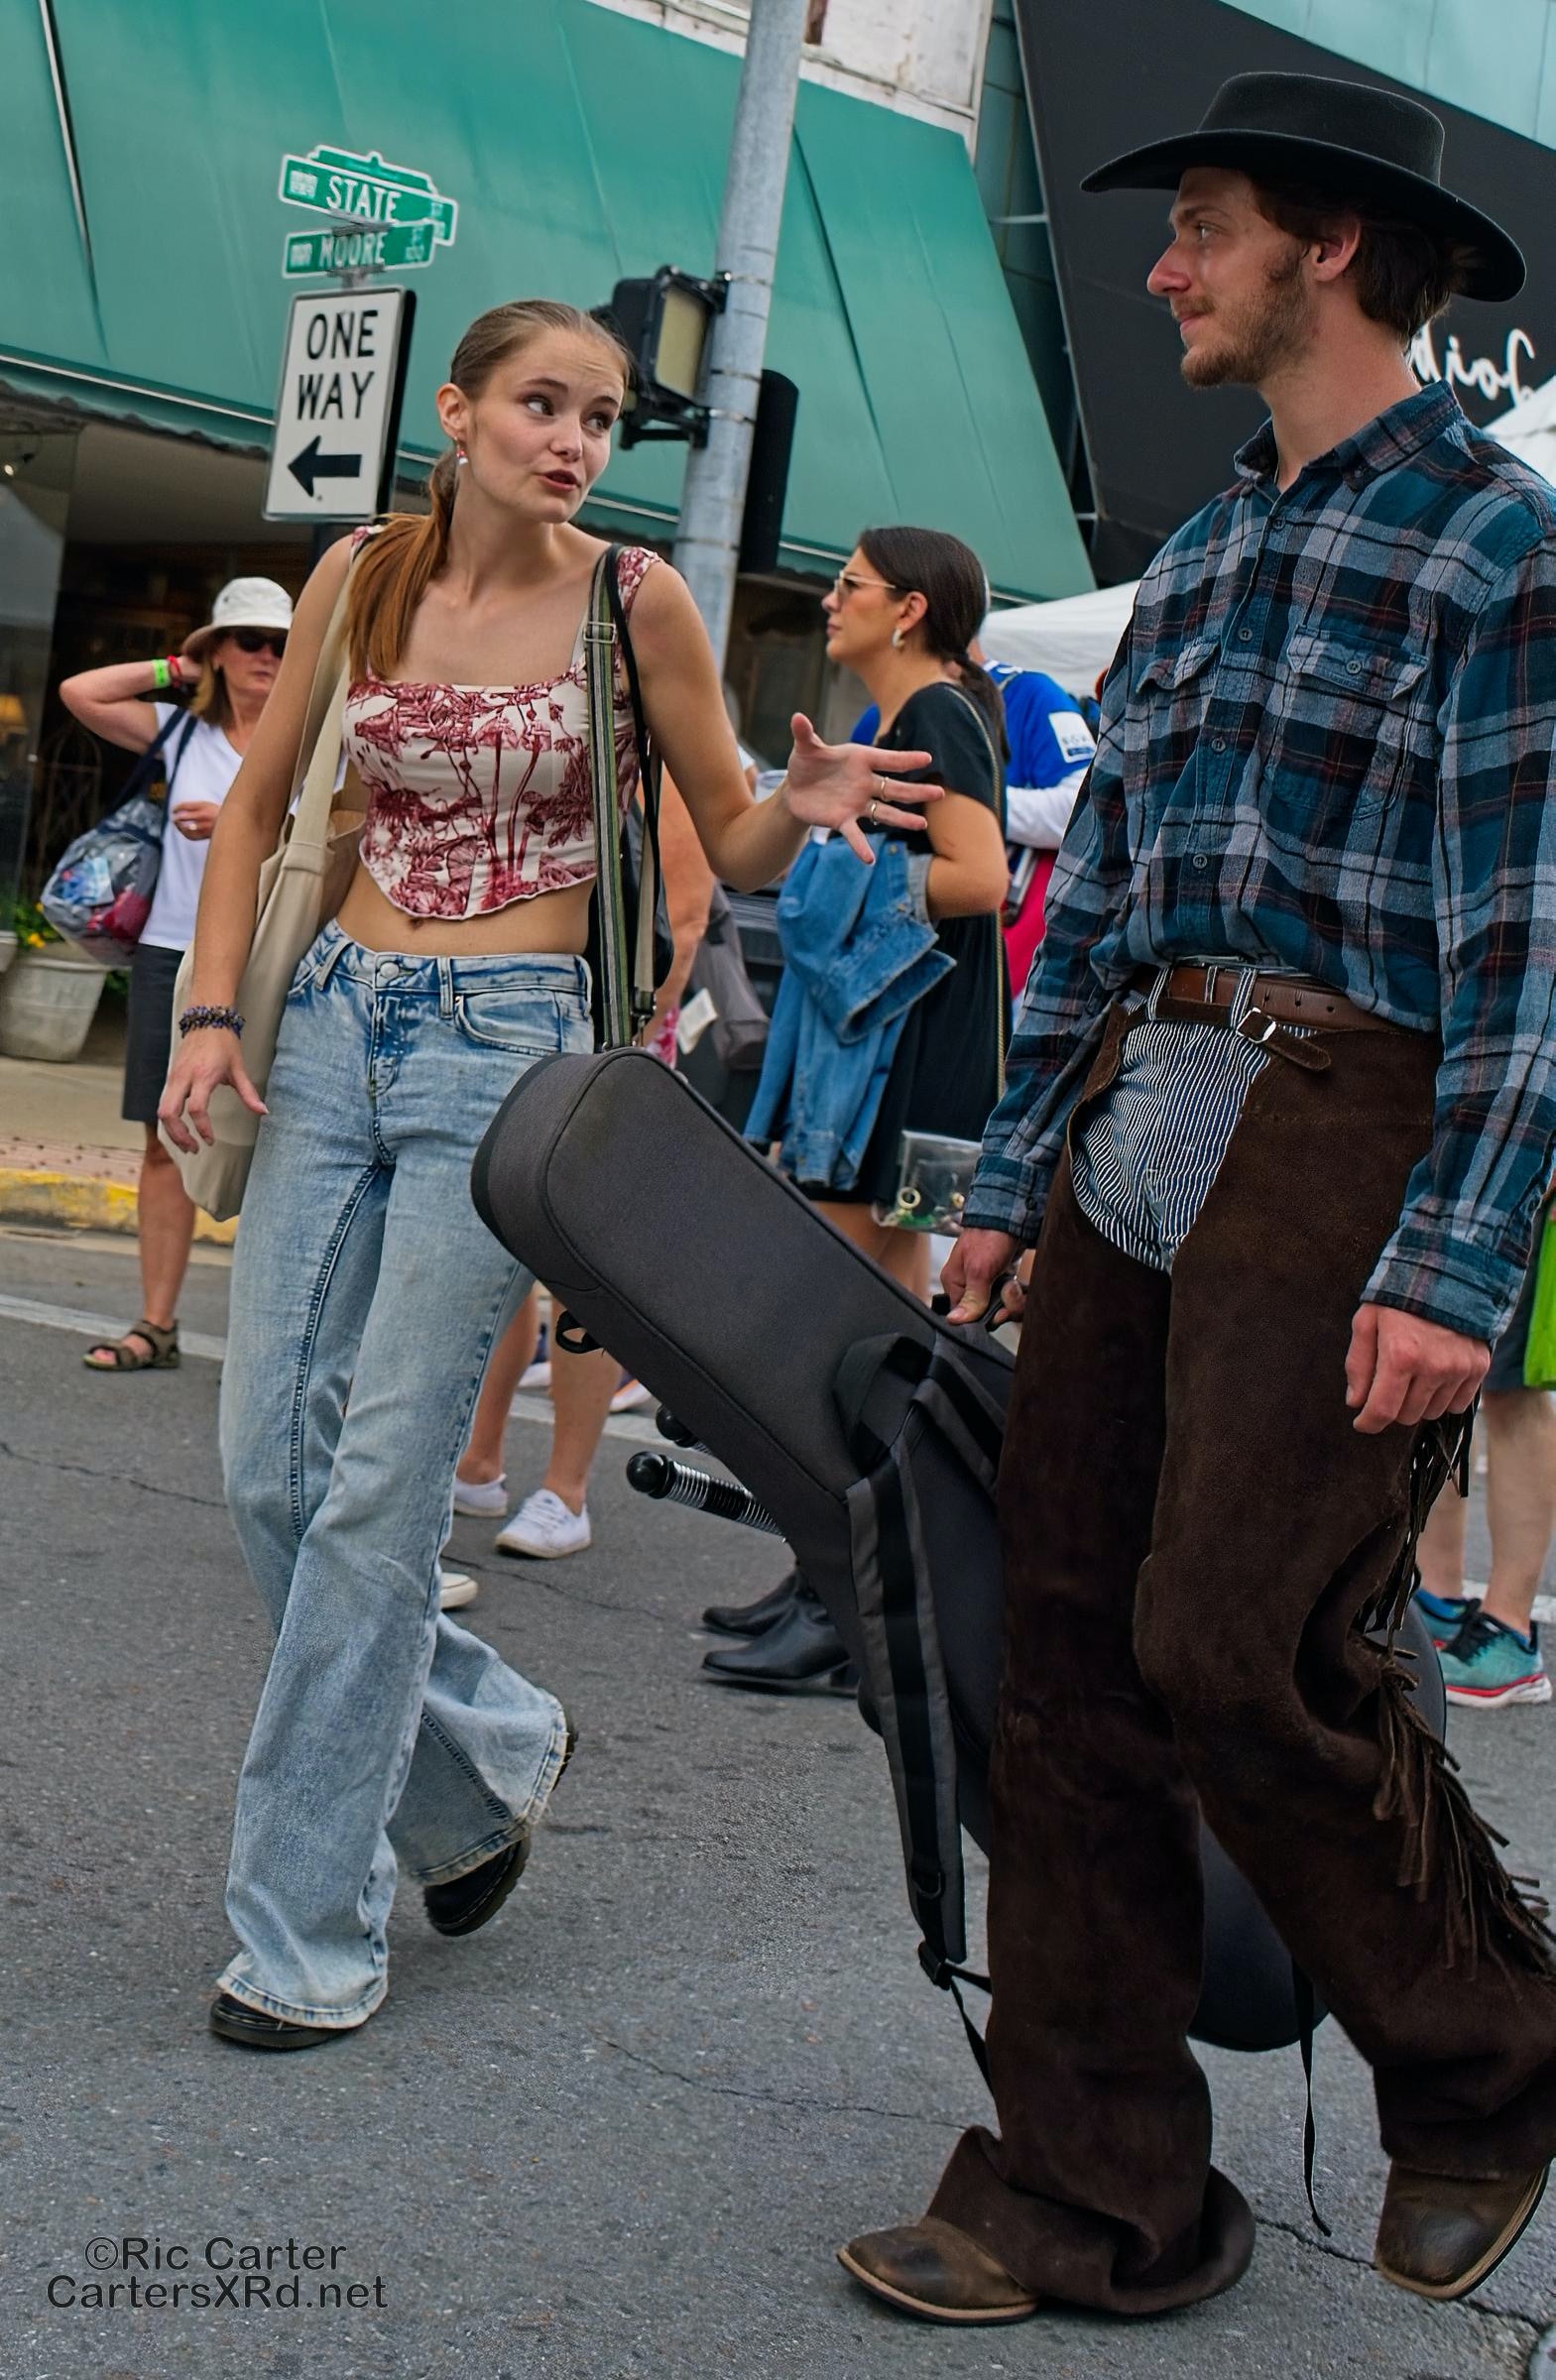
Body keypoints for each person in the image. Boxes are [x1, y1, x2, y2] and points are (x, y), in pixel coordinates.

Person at [838, 74, 1556, 2326]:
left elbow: (1532, 941)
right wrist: (1011, 1175)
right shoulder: (1212, 555)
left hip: (1355, 1105)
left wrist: (1458, 1255)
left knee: (1234, 1640)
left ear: (1327, 248)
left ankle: (1490, 2051)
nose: (1160, 266)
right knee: (1062, 1656)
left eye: (1203, 226)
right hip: (1145, 1094)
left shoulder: (1497, 549)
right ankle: (1088, 2188)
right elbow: (1112, 896)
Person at [157, 298, 939, 2053]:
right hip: (330, 1026)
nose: (575, 441)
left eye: (599, 417)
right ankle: (486, 1754)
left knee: (379, 1488)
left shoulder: (633, 599)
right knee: (268, 1470)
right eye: (541, 405)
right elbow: (265, 807)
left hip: (505, 1051)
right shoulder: (363, 573)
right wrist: (210, 1017)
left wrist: (798, 799)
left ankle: (306, 1933)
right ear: (456, 412)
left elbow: (729, 833)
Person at [707, 528, 1009, 1695]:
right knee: (877, 1328)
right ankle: (845, 1590)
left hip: (904, 1065)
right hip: (904, 1058)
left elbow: (980, 877)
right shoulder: (920, 714)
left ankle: (847, 1593)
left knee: (839, 1328)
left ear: (910, 608)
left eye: (850, 585)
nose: (831, 600)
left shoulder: (934, 715)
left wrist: (848, 875)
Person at [454, 775, 714, 1561]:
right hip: (510, 1023)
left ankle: (564, 1492)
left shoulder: (660, 759)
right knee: (490, 1250)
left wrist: (623, 1051)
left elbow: (685, 917)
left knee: (580, 1272)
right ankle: (477, 1461)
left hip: (609, 1039)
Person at [58, 580, 294, 1371]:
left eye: (283, 644)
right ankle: (156, 1324)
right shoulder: (183, 734)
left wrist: (244, 826)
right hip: (170, 954)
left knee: (281, 1149)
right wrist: (173, 669)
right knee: (164, 1141)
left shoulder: (306, 742)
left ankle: (277, 1348)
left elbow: (343, 834)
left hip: (273, 959)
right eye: (250, 640)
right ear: (218, 651)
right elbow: (81, 692)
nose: (268, 656)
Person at [854, 643, 1097, 997]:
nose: (834, 611)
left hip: (1003, 951)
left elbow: (1084, 810)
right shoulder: (877, 716)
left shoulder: (1029, 692)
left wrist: (966, 809)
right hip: (884, 950)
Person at [1414, 1200, 1556, 1708]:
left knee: (1511, 1388)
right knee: (1448, 1374)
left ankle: (1510, 1631)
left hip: (1527, 1171)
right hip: (1462, 1172)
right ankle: (1438, 1602)